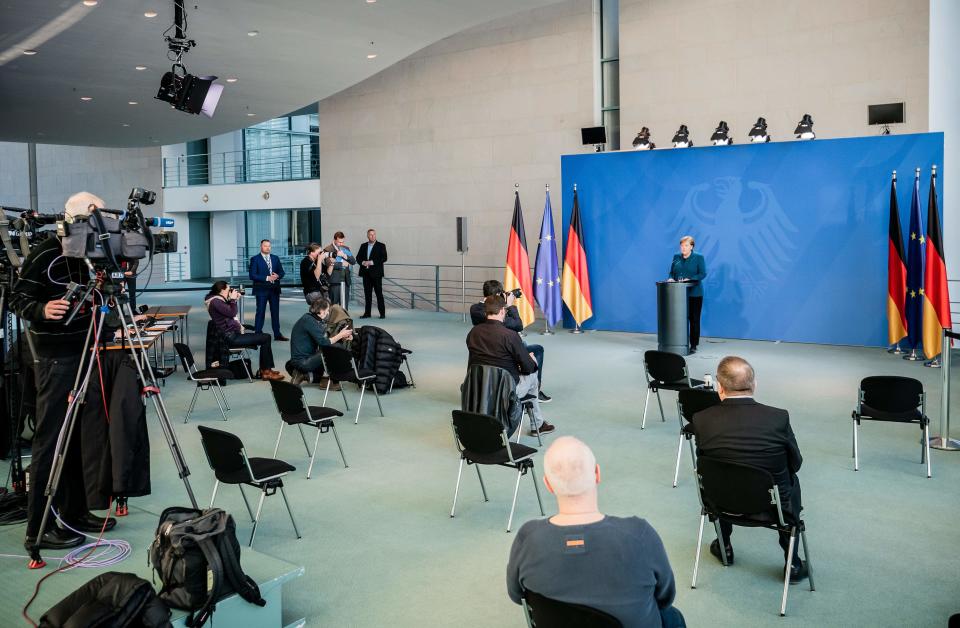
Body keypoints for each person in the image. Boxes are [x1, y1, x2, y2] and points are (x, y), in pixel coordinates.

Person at [9, 192, 116, 550]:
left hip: (85, 349)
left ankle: (75, 511)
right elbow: (17, 298)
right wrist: (43, 309)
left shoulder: (92, 253)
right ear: (75, 219)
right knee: (50, 440)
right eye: (94, 218)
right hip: (55, 357)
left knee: (76, 438)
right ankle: (37, 528)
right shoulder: (45, 251)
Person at [507, 437, 685, 628]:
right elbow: (665, 597)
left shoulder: (527, 538)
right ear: (597, 474)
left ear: (548, 485)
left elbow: (517, 596)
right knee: (673, 616)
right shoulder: (640, 535)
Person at [691, 356, 808, 583]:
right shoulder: (778, 418)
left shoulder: (702, 419)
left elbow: (703, 462)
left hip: (721, 502)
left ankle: (724, 545)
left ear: (719, 387)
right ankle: (792, 564)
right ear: (754, 384)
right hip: (773, 507)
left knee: (721, 474)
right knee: (789, 482)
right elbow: (796, 463)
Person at [466, 295, 554, 434]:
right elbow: (528, 368)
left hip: (481, 387)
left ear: (485, 312)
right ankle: (537, 425)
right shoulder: (510, 335)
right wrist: (530, 359)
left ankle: (537, 423)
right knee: (533, 373)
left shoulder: (473, 333)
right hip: (507, 390)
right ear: (502, 311)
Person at [470, 280, 551, 402]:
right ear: (497, 295)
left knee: (523, 344)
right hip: (501, 347)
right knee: (537, 350)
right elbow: (518, 325)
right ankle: (535, 391)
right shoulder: (495, 313)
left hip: (484, 346)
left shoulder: (475, 309)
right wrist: (509, 305)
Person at [205, 281, 284, 380]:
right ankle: (266, 371)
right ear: (222, 290)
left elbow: (227, 312)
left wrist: (232, 300)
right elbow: (232, 312)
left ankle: (265, 370)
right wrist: (233, 300)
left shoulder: (217, 300)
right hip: (231, 338)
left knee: (265, 337)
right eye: (228, 289)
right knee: (266, 338)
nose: (230, 291)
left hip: (230, 335)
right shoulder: (216, 302)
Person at [288, 296, 354, 385]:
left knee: (329, 354)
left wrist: (343, 336)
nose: (327, 313)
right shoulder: (310, 321)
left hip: (300, 360)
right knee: (337, 348)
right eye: (327, 310)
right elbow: (324, 342)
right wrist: (340, 335)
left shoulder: (309, 319)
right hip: (304, 362)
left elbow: (326, 338)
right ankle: (332, 380)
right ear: (321, 311)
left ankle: (305, 375)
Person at [667, 235, 706, 353]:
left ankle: (693, 344)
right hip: (678, 295)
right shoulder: (676, 257)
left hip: (694, 294)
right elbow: (671, 272)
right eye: (682, 246)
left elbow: (702, 274)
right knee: (680, 319)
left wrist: (690, 279)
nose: (683, 248)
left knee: (694, 320)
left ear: (691, 247)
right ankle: (679, 342)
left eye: (686, 246)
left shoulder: (698, 257)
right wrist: (670, 278)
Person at [248, 239, 287, 340]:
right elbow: (252, 275)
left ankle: (277, 334)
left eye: (269, 246)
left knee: (275, 312)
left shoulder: (275, 258)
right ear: (261, 247)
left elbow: (282, 272)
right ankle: (257, 333)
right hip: (261, 290)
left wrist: (278, 275)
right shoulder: (255, 259)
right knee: (260, 312)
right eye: (265, 246)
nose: (268, 248)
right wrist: (267, 278)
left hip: (274, 289)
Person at [355, 228, 387, 319]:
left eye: (374, 234)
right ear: (367, 236)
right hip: (366, 274)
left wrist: (371, 262)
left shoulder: (381, 245)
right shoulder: (363, 246)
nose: (372, 236)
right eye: (370, 235)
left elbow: (384, 258)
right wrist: (363, 262)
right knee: (367, 295)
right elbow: (358, 257)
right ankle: (367, 313)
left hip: (377, 274)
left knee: (379, 294)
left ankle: (382, 313)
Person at [323, 232, 356, 308]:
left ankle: (344, 320)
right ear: (334, 240)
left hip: (345, 281)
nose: (341, 244)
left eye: (342, 242)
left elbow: (353, 261)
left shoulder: (346, 248)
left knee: (344, 306)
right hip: (335, 282)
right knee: (333, 306)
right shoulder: (328, 249)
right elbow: (328, 264)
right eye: (339, 242)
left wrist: (344, 255)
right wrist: (342, 263)